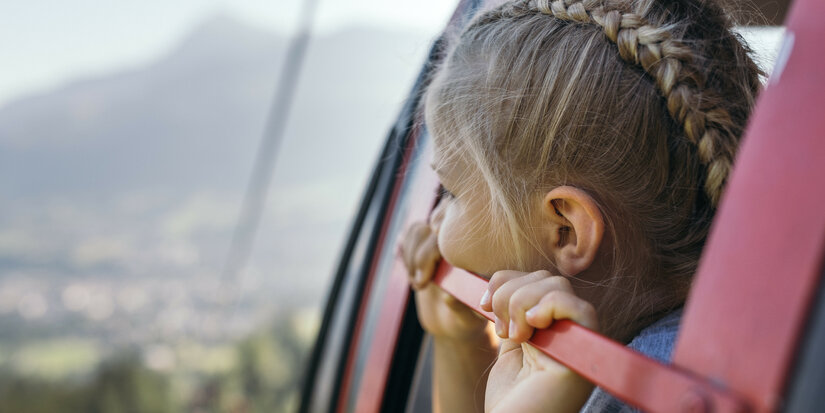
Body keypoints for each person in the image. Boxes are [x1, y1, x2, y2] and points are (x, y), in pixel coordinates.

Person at [399, 0, 762, 411]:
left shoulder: (642, 396)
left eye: (450, 192)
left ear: (565, 230)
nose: (433, 220)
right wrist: (457, 342)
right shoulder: (741, 352)